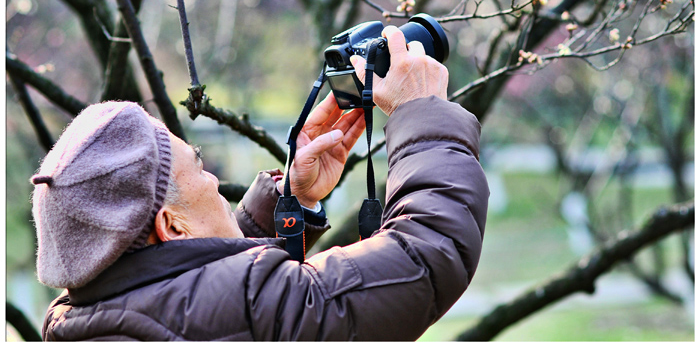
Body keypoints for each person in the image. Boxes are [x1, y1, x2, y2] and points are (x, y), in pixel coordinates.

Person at [32, 26, 490, 341]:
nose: (214, 181)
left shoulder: (77, 318)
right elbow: (428, 254)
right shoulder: (245, 305)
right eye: (199, 167)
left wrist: (291, 198)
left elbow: (199, 300)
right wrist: (422, 112)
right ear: (171, 226)